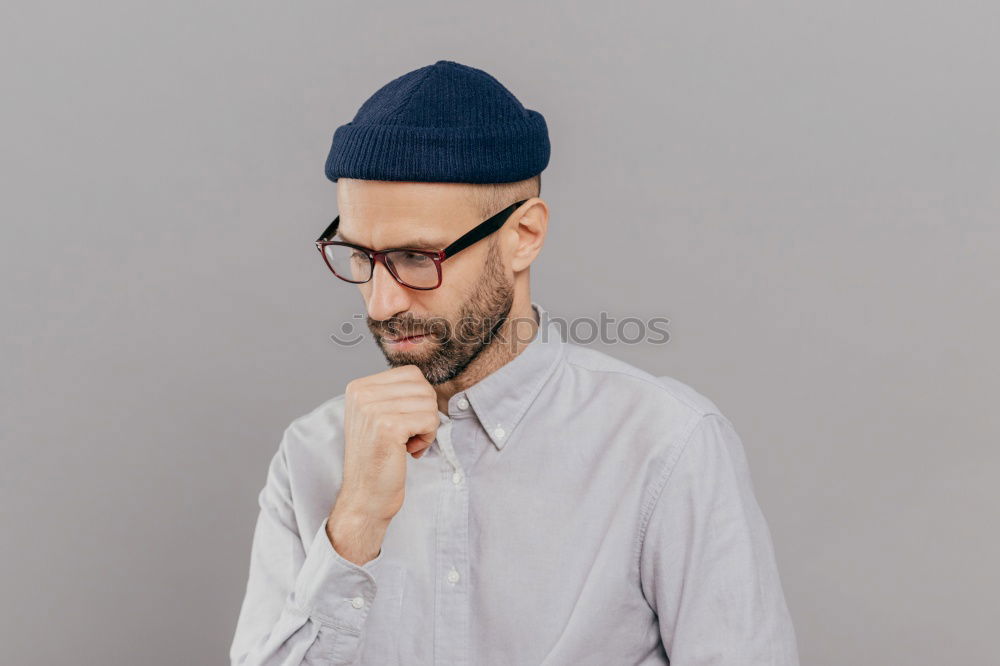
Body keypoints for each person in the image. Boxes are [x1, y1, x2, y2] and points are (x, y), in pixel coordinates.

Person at [229, 59, 799, 666]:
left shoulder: (666, 446)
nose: (381, 300)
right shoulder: (312, 456)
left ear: (523, 235)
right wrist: (357, 521)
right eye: (359, 255)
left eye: (418, 257)